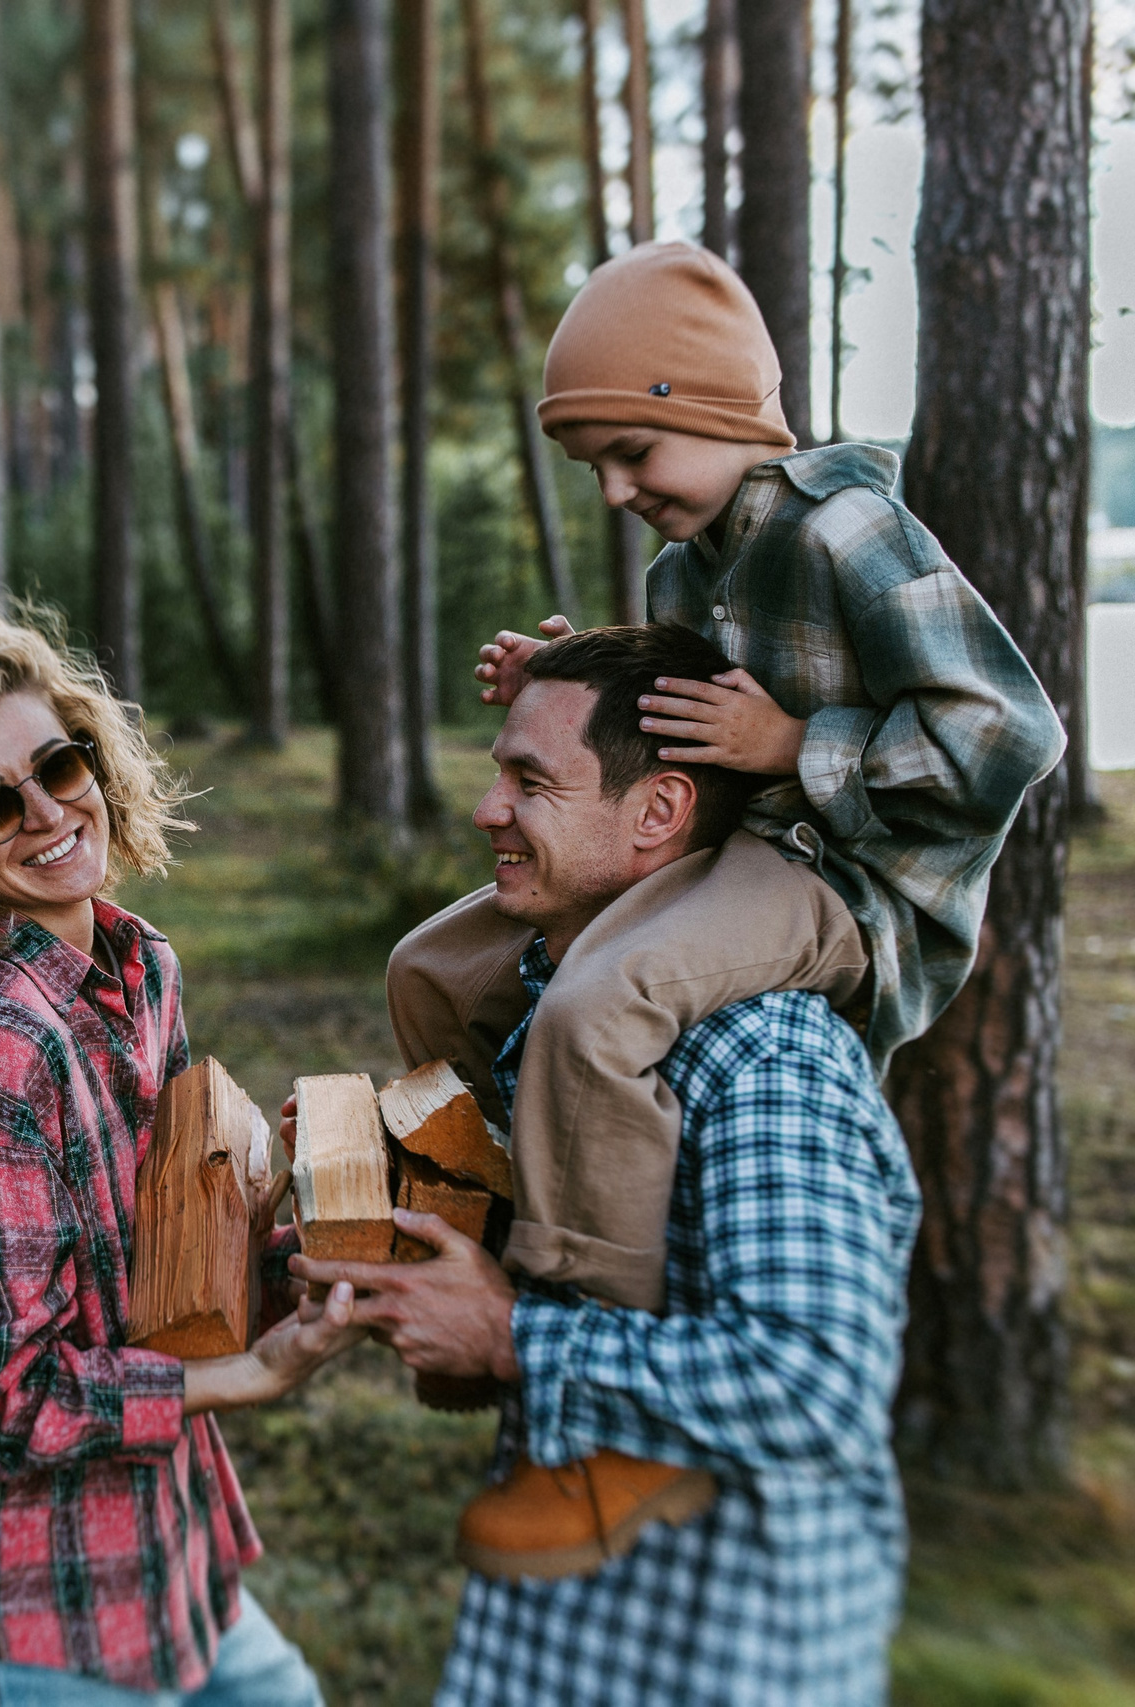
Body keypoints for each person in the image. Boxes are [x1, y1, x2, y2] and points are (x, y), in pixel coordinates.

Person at [389, 240, 1062, 1576]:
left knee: (598, 1002)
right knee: (437, 962)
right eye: (595, 463)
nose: (618, 487)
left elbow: (1010, 730)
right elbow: (674, 714)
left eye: (635, 449)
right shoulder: (688, 565)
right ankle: (486, 1216)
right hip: (738, 848)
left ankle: (602, 1408)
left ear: (722, 414)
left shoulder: (847, 528)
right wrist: (569, 669)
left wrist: (799, 741)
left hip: (849, 881)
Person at [303, 626, 923, 1703]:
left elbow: (817, 1388)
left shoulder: (763, 1058)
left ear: (658, 812)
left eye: (529, 782)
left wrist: (511, 1336)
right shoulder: (546, 1011)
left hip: (717, 1648)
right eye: (500, 773)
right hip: (548, 1641)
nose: (487, 810)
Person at [0, 606, 363, 1706]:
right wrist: (249, 1374)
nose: (48, 812)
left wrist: (286, 1245)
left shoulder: (138, 966)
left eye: (59, 764)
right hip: (37, 1628)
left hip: (174, 1577)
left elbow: (141, 1288)